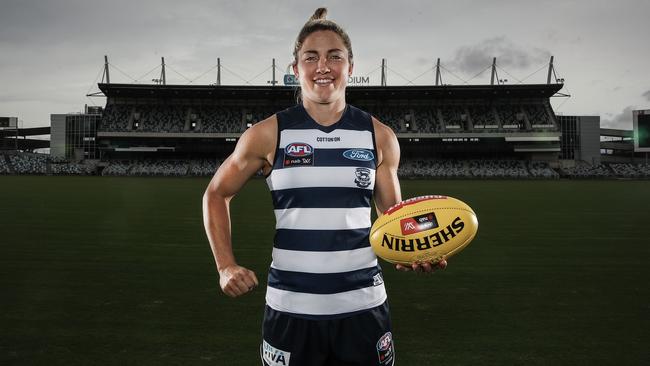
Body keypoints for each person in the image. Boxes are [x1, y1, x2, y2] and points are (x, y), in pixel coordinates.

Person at [202, 8, 446, 366]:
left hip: (363, 308)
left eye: (335, 56)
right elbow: (216, 193)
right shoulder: (268, 134)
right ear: (295, 68)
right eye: (310, 57)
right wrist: (225, 266)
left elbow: (393, 220)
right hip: (290, 309)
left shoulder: (379, 136)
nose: (323, 66)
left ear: (350, 66)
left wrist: (413, 252)